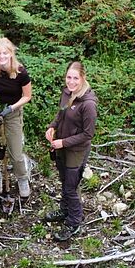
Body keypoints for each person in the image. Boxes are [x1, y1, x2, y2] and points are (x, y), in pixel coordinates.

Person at [44, 61, 98, 241]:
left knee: (70, 187)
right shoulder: (67, 93)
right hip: (61, 145)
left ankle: (74, 222)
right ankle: (65, 210)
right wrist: (52, 127)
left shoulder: (88, 104)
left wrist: (64, 142)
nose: (71, 82)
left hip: (76, 150)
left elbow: (88, 134)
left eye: (75, 78)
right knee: (64, 180)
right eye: (69, 77)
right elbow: (60, 114)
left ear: (83, 78)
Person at [0, 37, 33, 197]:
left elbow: (27, 96)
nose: (2, 56)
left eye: (5, 53)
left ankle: (22, 178)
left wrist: (10, 108)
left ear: (11, 53)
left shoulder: (20, 72)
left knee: (15, 150)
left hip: (13, 110)